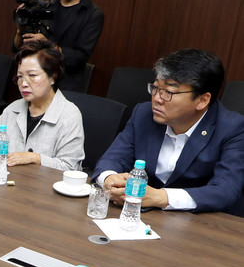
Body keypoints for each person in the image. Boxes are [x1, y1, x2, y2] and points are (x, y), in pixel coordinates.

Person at [92, 49, 244, 216]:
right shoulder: (144, 114)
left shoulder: (232, 128)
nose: (157, 98)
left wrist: (160, 197)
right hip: (138, 214)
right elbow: (113, 158)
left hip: (199, 221)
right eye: (156, 88)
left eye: (169, 92)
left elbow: (225, 190)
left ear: (202, 100)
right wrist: (110, 179)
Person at [0, 40, 84, 171]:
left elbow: (70, 168)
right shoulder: (12, 110)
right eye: (20, 77)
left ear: (53, 76)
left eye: (32, 75)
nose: (23, 83)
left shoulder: (69, 115)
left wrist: (36, 158)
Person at [12, 0, 104, 92]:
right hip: (34, 85)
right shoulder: (43, 7)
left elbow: (79, 58)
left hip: (66, 87)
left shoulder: (93, 14)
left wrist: (48, 45)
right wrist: (20, 31)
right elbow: (17, 49)